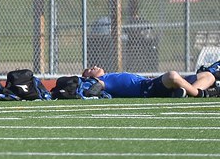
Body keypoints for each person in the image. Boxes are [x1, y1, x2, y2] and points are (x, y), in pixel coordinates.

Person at [81, 66, 220, 98]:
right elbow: (95, 88)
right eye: (89, 70)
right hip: (147, 89)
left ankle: (184, 92)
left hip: (150, 82)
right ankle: (201, 94)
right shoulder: (102, 80)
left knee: (208, 75)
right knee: (172, 75)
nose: (94, 67)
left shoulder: (110, 75)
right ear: (88, 77)